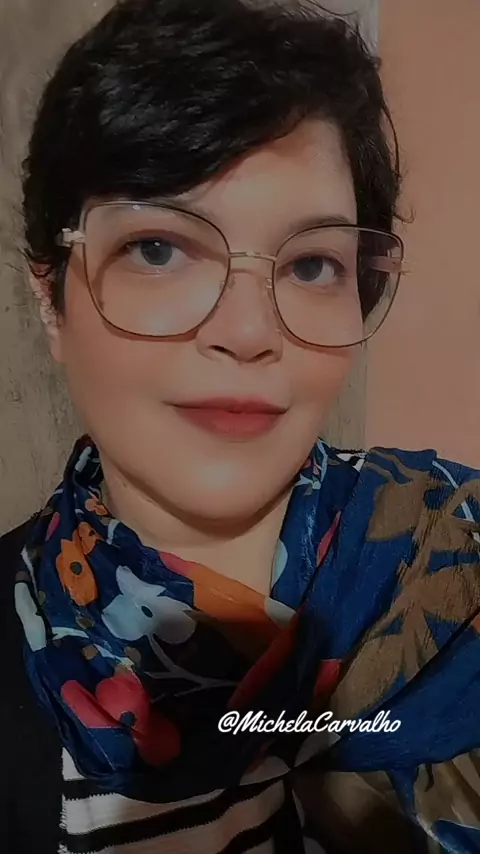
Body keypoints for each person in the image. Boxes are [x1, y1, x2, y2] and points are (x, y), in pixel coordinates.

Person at [1, 0, 479, 852]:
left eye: (312, 264)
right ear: (51, 296)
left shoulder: (456, 567)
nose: (249, 330)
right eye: (159, 248)